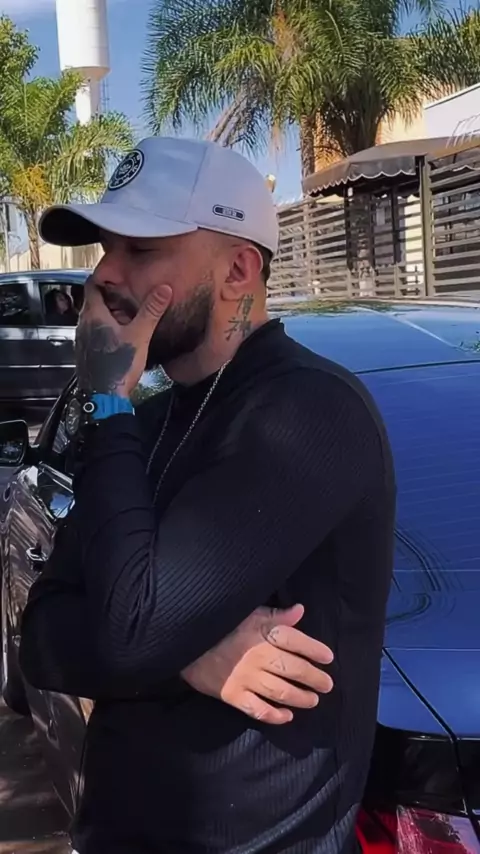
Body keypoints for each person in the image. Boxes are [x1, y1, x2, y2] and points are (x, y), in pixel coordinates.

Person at [19, 137, 396, 854]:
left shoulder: (309, 412)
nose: (104, 275)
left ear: (238, 270)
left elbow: (128, 634)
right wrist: (189, 656)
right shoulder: (146, 423)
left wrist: (107, 397)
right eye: (107, 248)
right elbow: (41, 637)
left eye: (140, 249)